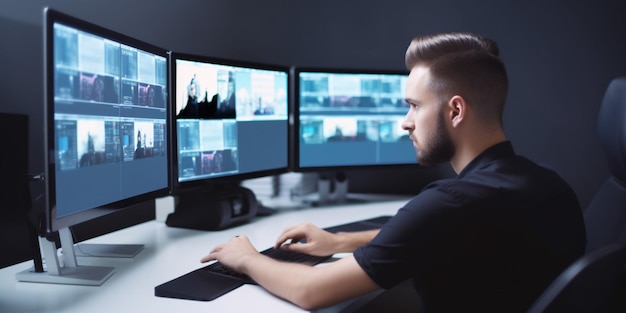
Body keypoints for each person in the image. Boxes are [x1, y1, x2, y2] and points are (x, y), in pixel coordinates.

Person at [200, 32, 587, 312]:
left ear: (455, 111)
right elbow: (436, 234)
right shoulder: (546, 183)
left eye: (414, 106)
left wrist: (245, 256)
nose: (405, 122)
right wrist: (338, 242)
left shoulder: (452, 201)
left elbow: (311, 290)